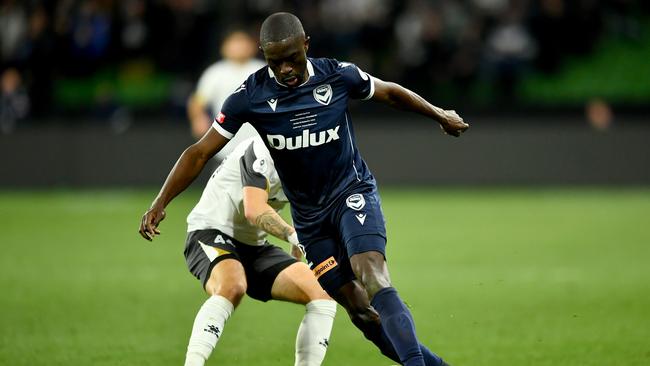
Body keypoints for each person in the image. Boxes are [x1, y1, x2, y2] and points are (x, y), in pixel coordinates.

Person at [140, 12, 468, 366]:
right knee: (358, 309)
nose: (285, 70)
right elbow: (201, 151)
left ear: (306, 45)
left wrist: (440, 114)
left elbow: (389, 92)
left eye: (292, 59)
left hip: (350, 192)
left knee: (371, 272)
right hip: (310, 221)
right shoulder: (250, 97)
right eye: (274, 62)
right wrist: (161, 201)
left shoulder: (337, 75)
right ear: (264, 55)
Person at [179, 134, 336, 366]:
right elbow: (254, 211)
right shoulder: (261, 149)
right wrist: (293, 235)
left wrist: (300, 238)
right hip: (210, 230)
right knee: (232, 286)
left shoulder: (311, 162)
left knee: (322, 292)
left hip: (255, 245)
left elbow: (307, 209)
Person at [187, 30, 265, 159]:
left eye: (242, 42)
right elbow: (197, 100)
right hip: (226, 143)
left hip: (258, 141)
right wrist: (198, 118)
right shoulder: (215, 72)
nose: (239, 47)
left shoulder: (262, 70)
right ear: (224, 47)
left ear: (252, 46)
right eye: (234, 42)